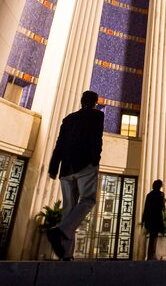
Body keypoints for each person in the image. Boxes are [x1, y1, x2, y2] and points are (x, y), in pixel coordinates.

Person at [47, 90, 105, 260]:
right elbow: (97, 138)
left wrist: (53, 166)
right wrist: (95, 159)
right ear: (95, 102)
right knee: (88, 200)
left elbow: (59, 144)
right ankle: (61, 231)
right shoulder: (97, 116)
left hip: (66, 169)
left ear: (81, 101)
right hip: (85, 165)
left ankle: (66, 254)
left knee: (69, 210)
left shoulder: (68, 119)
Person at [141, 179, 166, 260]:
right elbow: (162, 206)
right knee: (154, 236)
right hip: (156, 218)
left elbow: (146, 207)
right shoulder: (161, 194)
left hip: (150, 218)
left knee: (152, 236)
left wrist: (143, 220)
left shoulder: (149, 195)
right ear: (159, 186)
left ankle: (150, 255)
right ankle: (152, 255)